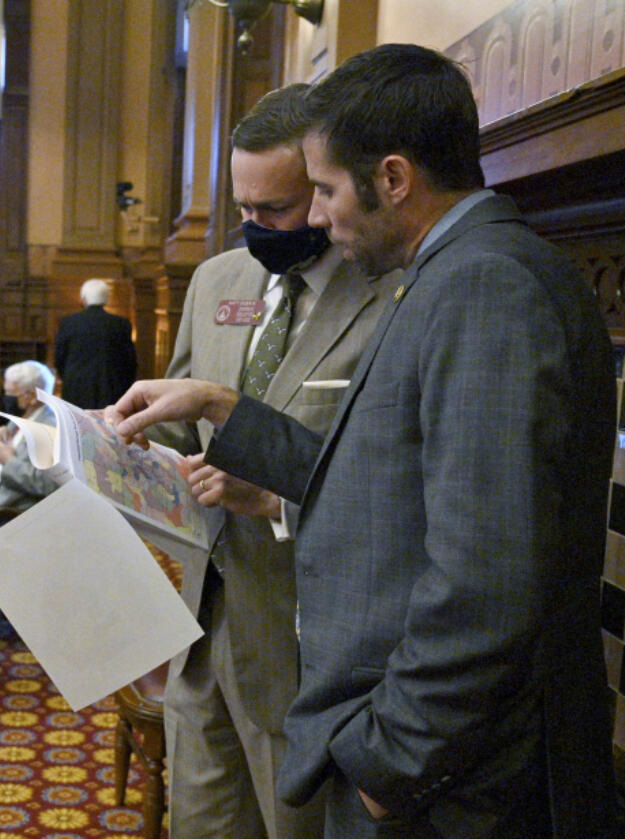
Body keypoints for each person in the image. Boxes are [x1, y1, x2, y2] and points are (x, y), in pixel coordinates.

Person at [108, 44, 617, 839]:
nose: (314, 216)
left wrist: (390, 763)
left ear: (391, 178)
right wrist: (217, 406)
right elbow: (377, 483)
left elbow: (488, 572)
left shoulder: (484, 288)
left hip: (450, 778)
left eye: (323, 189)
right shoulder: (447, 275)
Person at [145, 84, 394, 839]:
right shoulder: (219, 281)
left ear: (321, 193)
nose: (254, 227)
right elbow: (183, 429)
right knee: (201, 824)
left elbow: (384, 476)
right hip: (200, 621)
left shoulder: (390, 291)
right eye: (241, 209)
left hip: (305, 641)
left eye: (275, 210)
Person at [0, 361, 60, 546]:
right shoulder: (24, 417)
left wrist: (9, 461)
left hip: (1, 511)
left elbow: (46, 483)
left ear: (32, 396)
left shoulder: (48, 428)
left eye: (11, 394)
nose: (6, 399)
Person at [53, 279, 138, 409]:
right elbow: (129, 361)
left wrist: (68, 378)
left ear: (83, 298)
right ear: (107, 298)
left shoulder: (68, 322)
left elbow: (59, 357)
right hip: (111, 387)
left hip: (76, 387)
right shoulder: (121, 324)